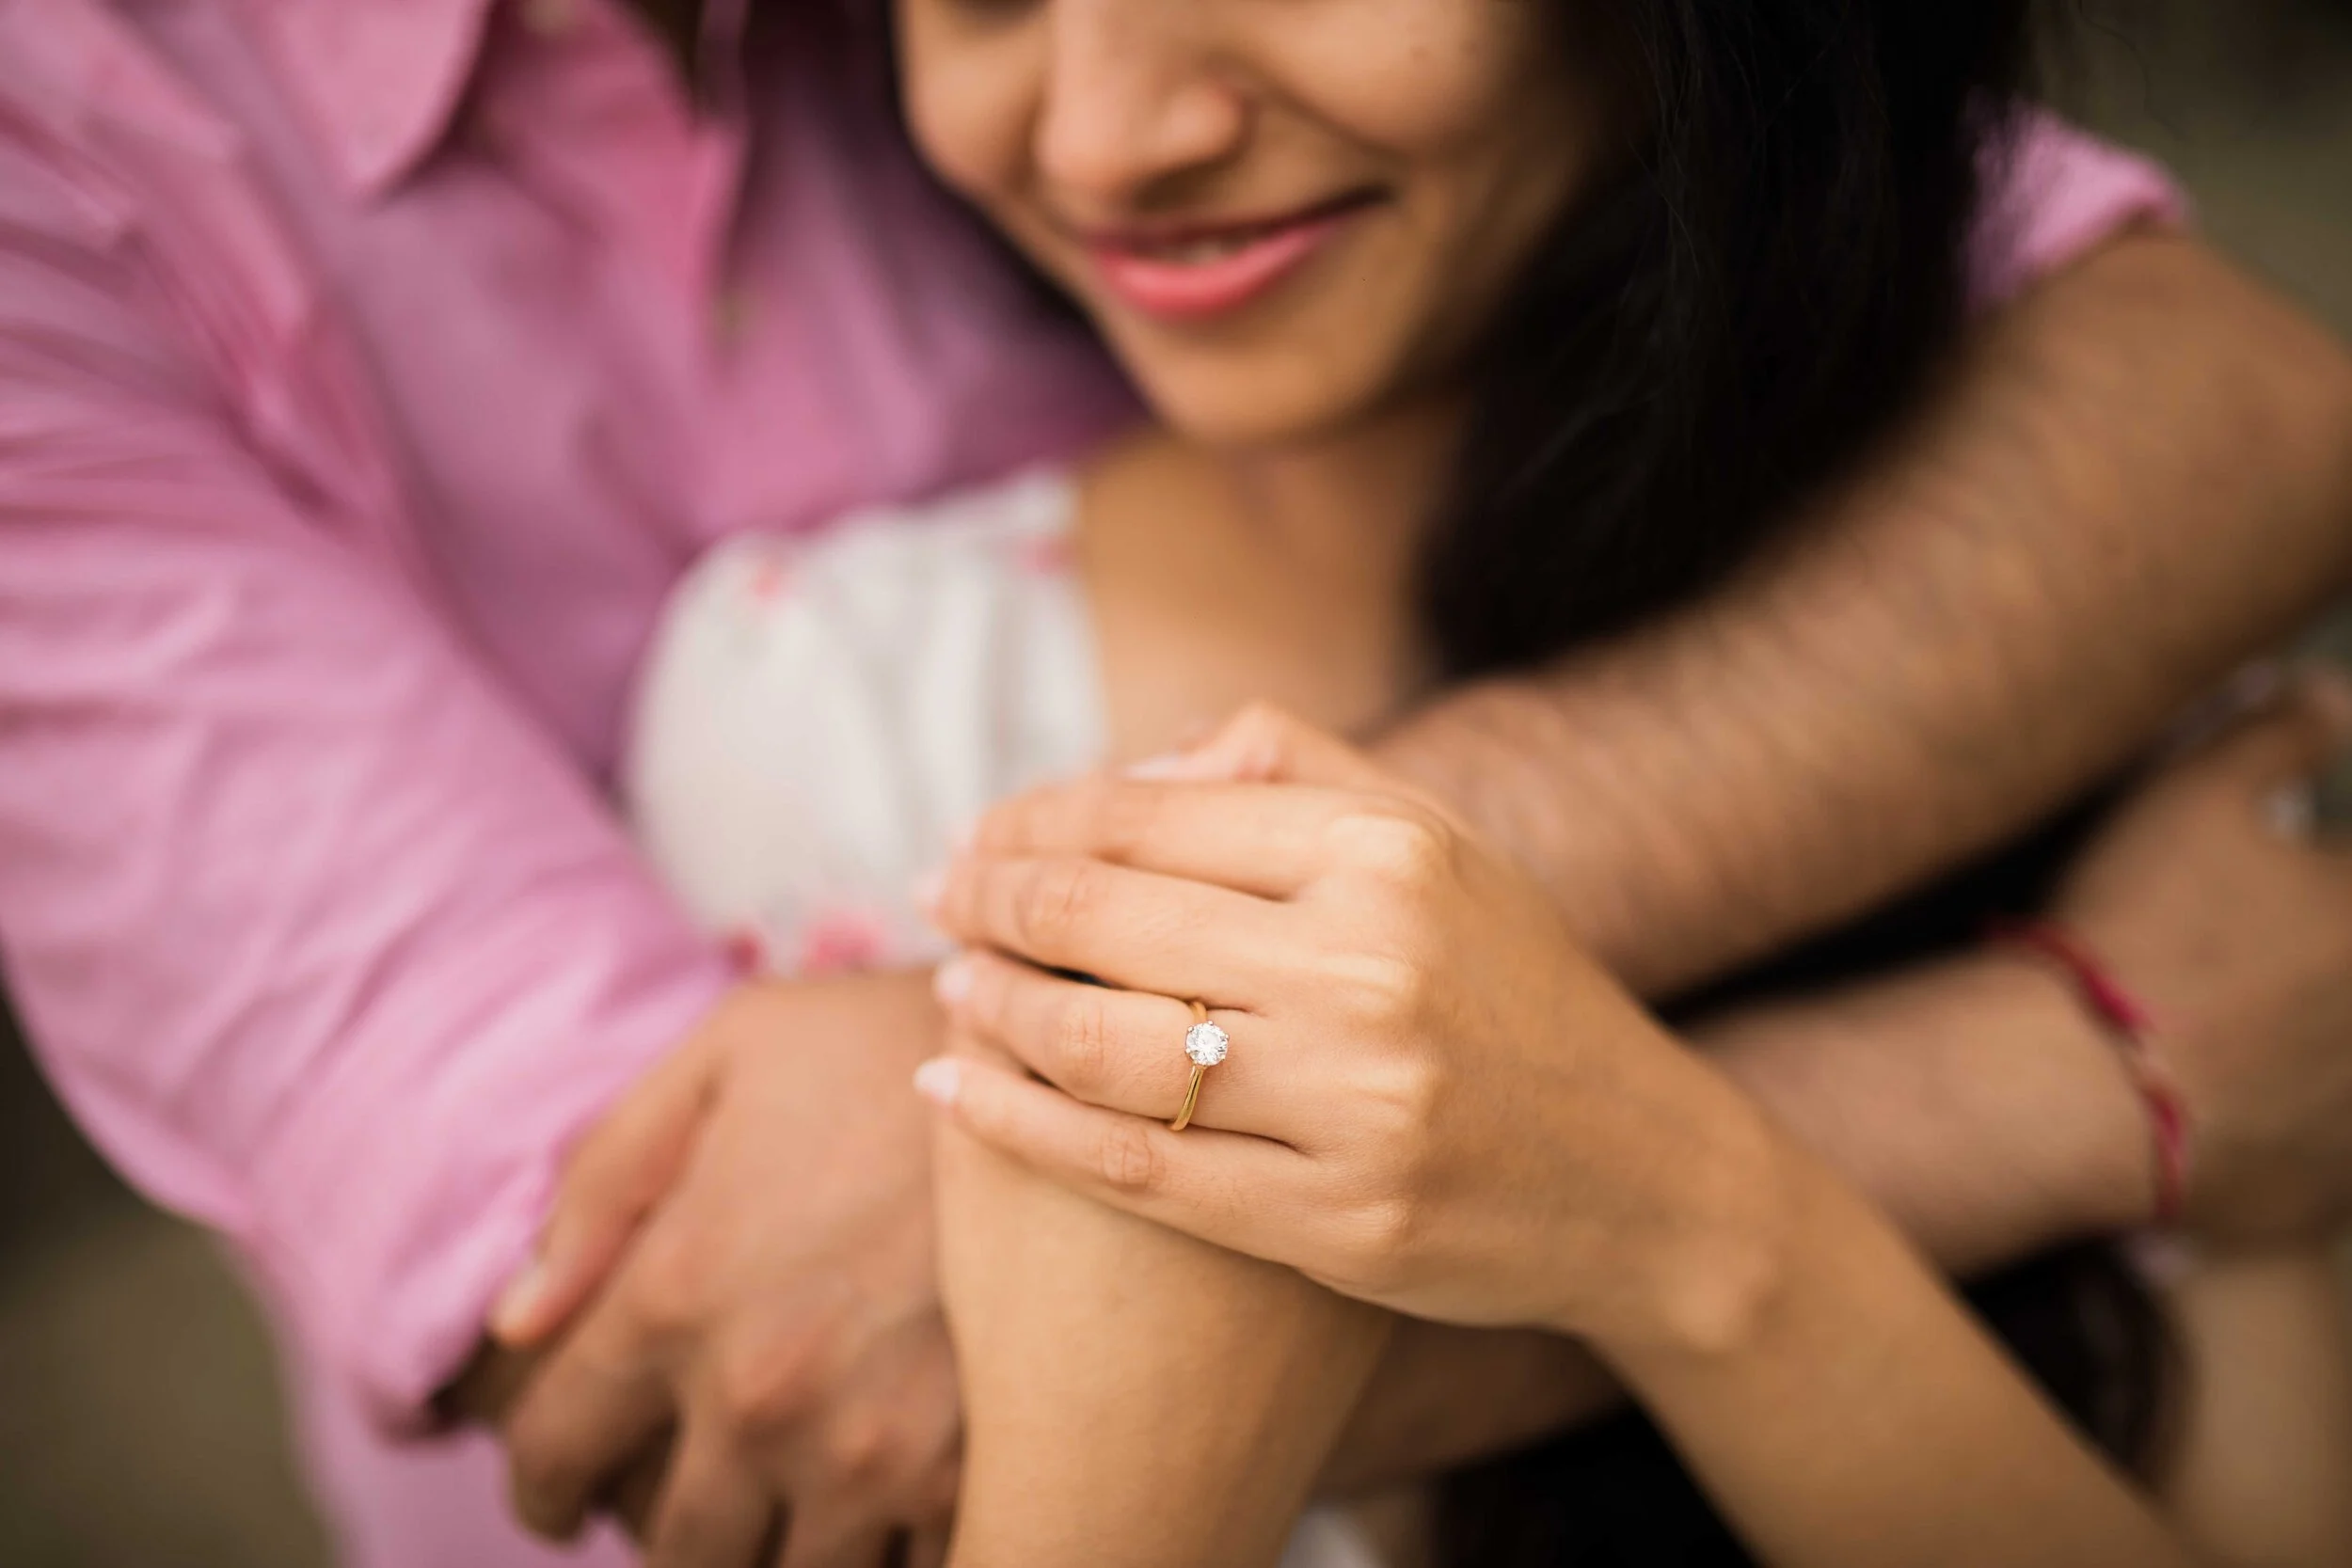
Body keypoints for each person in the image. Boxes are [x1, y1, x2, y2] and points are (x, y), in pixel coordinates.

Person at [1, 3, 2349, 1566]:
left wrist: (1694, 1209)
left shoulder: (2029, 607)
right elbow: (763, 1334)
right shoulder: (828, 709)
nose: (1112, 130)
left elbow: (2204, 397)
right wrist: (2031, 1089)